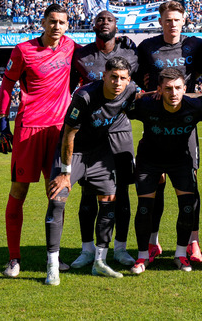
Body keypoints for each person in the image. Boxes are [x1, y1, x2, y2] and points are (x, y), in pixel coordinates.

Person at [0, 3, 79, 278]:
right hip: (29, 129)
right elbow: (7, 83)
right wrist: (3, 120)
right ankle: (13, 259)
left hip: (58, 132)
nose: (57, 27)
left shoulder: (71, 48)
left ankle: (53, 257)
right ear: (43, 23)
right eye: (52, 21)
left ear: (68, 26)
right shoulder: (23, 50)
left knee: (58, 194)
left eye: (62, 22)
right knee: (19, 192)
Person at [44, 58, 137, 285]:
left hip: (100, 153)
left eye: (122, 78)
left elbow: (146, 98)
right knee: (58, 199)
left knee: (109, 199)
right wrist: (65, 172)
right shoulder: (84, 97)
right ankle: (52, 266)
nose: (117, 82)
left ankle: (100, 262)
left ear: (129, 80)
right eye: (113, 77)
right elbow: (68, 135)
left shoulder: (131, 91)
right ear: (103, 76)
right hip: (73, 152)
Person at [136, 1, 202, 263]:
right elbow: (137, 80)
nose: (172, 24)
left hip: (184, 123)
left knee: (190, 182)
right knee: (155, 181)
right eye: (167, 20)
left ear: (184, 20)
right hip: (156, 120)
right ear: (160, 21)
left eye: (176, 19)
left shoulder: (196, 45)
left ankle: (193, 242)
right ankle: (152, 242)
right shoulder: (148, 47)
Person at [69, 10, 139, 269]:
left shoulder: (131, 52)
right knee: (88, 193)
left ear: (116, 25)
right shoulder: (82, 54)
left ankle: (120, 248)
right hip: (90, 132)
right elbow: (70, 91)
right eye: (99, 19)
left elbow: (138, 87)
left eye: (109, 20)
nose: (104, 23)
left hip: (120, 132)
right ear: (94, 25)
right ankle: (87, 250)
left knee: (122, 191)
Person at [127, 67, 202, 274]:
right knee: (145, 207)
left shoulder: (196, 106)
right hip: (149, 160)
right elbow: (120, 105)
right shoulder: (146, 105)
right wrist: (142, 93)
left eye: (177, 88)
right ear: (159, 90)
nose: (173, 93)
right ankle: (142, 257)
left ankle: (181, 254)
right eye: (167, 89)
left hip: (180, 161)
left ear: (185, 89)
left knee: (187, 207)